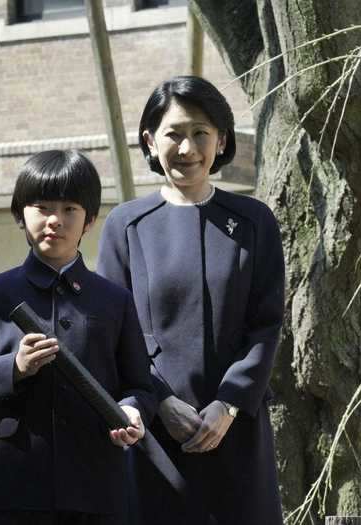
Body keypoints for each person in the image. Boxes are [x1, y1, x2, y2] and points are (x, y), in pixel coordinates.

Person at [97, 76, 284, 525]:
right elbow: (114, 332)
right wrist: (160, 401)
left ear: (221, 139)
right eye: (174, 133)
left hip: (235, 430)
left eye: (201, 132)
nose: (188, 148)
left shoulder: (255, 220)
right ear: (149, 140)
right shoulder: (126, 225)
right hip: (154, 433)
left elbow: (267, 323)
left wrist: (229, 404)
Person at [0, 150, 155, 525]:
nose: (54, 221)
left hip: (97, 485)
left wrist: (133, 410)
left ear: (89, 220)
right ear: (19, 215)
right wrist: (14, 367)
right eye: (41, 207)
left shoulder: (114, 300)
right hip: (17, 486)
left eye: (70, 209)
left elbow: (140, 385)